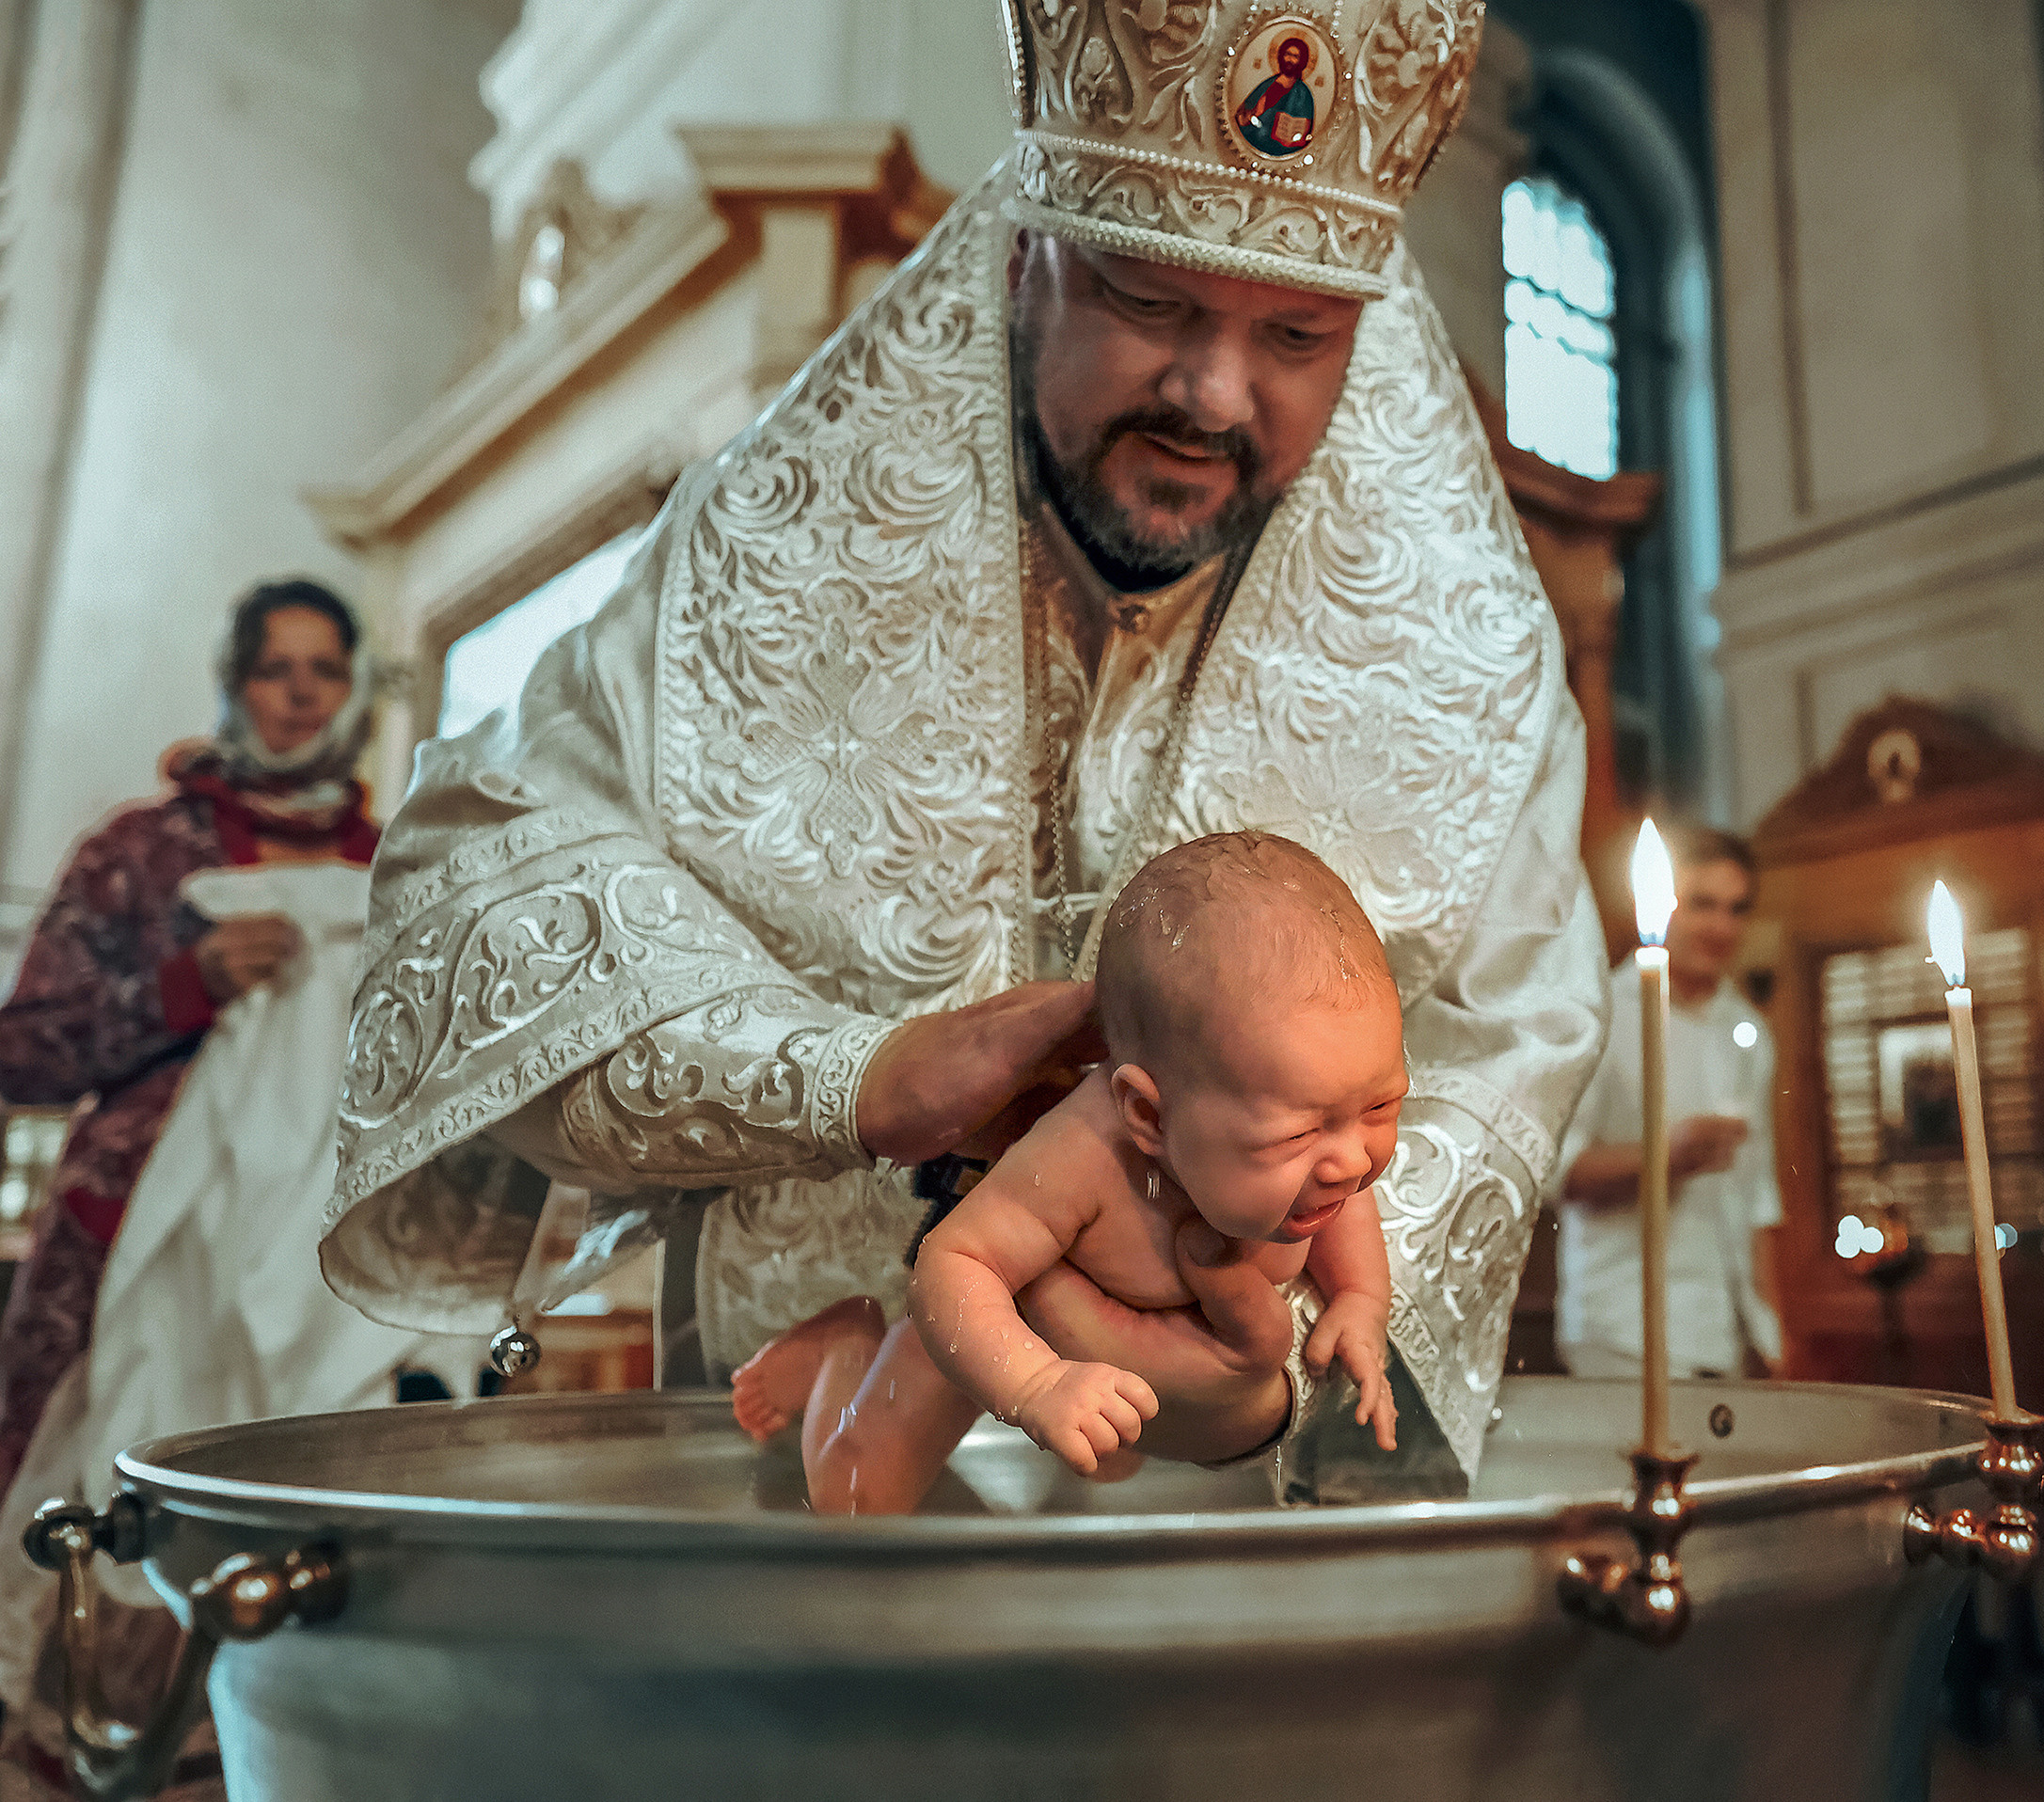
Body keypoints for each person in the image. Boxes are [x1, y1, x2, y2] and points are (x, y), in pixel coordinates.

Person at [325, 0, 1608, 1494]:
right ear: (1023, 263)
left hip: (1220, 1521)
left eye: (1298, 335)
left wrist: (1261, 1332)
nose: (1214, 392)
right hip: (805, 1481)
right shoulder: (769, 552)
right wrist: (849, 1079)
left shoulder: (1477, 655)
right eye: (1147, 300)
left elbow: (1512, 1048)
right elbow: (470, 867)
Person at [0, 580, 379, 1796]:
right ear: (236, 682)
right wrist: (188, 980)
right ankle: (90, 1747)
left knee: (307, 1491)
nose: (302, 689)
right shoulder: (143, 850)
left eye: (325, 667)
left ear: (357, 689)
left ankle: (273, 1747)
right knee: (109, 1492)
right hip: (134, 1248)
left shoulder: (399, 862)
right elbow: (25, 1050)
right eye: (277, 667)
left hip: (326, 1256)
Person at [731, 835, 1400, 1514]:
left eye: (1381, 1106)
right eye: (1299, 1133)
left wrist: (1359, 1304)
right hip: (991, 1331)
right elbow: (954, 1263)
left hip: (1135, 1375)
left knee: (1110, 1481)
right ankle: (846, 1346)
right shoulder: (1083, 1154)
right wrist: (1033, 1383)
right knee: (859, 1495)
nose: (1351, 1161)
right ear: (1148, 1115)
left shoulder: (1321, 1157)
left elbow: (1351, 1203)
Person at [1555, 827, 1784, 1382]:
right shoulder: (1598, 1013)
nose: (1721, 927)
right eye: (1703, 904)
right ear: (1662, 904)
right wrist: (1665, 1156)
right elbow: (1556, 1174)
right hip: (1622, 1327)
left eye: (1737, 909)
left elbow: (1756, 1196)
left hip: (1727, 1328)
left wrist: (1773, 1328)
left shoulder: (1747, 1029)